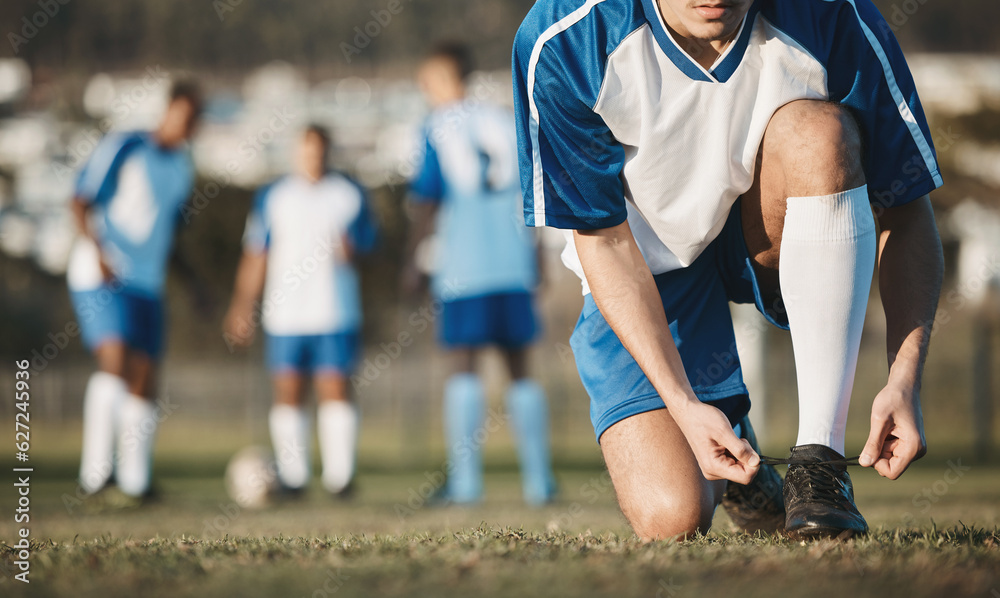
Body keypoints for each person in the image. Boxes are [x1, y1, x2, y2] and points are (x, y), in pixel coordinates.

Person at [513, 0, 943, 539]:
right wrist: (684, 405)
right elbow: (605, 241)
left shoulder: (831, 14)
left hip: (766, 233)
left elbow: (907, 211)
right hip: (648, 271)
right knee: (674, 518)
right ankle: (743, 468)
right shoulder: (566, 38)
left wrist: (904, 380)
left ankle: (820, 465)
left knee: (818, 133)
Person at [403, 42, 557, 506]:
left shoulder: (437, 126)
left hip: (463, 266)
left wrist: (411, 259)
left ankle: (466, 483)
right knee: (520, 370)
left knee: (463, 366)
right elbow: (533, 191)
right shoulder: (503, 121)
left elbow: (428, 199)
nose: (425, 92)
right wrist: (538, 258)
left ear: (450, 79)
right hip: (512, 261)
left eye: (428, 82)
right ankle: (539, 482)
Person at [224, 125, 377, 497]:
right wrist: (242, 305)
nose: (313, 157)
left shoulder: (349, 194)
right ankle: (294, 479)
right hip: (285, 313)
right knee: (289, 392)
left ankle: (340, 479)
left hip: (336, 311)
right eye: (307, 150)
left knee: (335, 388)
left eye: (320, 150)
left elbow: (370, 244)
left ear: (328, 152)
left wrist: (352, 250)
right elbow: (256, 254)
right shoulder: (273, 197)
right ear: (296, 152)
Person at [70, 79, 202, 500]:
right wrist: (99, 251)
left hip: (149, 283)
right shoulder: (126, 146)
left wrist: (194, 284)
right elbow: (79, 200)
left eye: (196, 120)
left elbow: (170, 237)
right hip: (103, 274)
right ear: (168, 111)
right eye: (183, 115)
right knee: (116, 359)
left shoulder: (183, 167)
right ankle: (94, 476)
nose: (188, 125)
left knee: (145, 376)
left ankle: (135, 481)